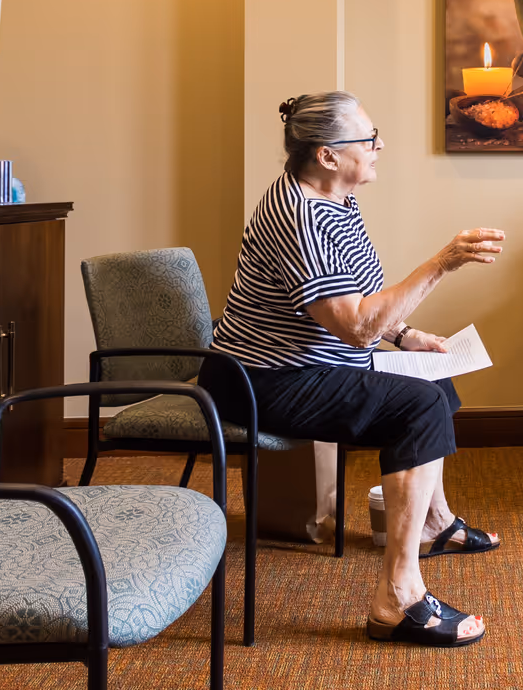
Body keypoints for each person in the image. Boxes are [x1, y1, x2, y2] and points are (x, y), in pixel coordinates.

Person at [202, 92, 506, 647]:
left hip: (306, 363)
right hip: (263, 380)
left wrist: (408, 337)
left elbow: (357, 296)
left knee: (434, 379)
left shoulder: (335, 199)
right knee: (419, 407)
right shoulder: (300, 217)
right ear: (326, 155)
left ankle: (434, 523)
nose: (379, 145)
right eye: (368, 139)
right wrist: (442, 263)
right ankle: (398, 597)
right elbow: (357, 327)